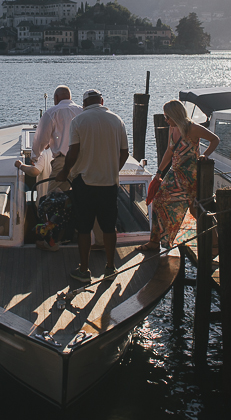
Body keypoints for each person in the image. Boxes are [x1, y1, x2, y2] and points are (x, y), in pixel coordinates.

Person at [57, 89, 129, 283]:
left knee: (84, 228)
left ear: (84, 103)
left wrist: (64, 172)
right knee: (108, 227)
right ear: (102, 101)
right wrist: (114, 169)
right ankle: (110, 267)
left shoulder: (78, 121)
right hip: (109, 183)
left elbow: (73, 152)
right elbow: (125, 153)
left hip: (85, 183)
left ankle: (84, 270)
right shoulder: (117, 120)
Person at [141, 99, 220, 250]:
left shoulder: (193, 128)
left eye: (167, 116)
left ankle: (215, 241)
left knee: (194, 209)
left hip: (190, 177)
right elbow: (169, 152)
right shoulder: (172, 128)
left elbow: (215, 139)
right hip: (175, 173)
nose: (165, 119)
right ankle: (156, 241)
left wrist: (205, 155)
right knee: (158, 201)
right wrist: (159, 172)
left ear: (175, 115)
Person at [33, 86, 82, 193]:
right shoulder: (82, 111)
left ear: (56, 97)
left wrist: (35, 157)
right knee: (78, 197)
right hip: (82, 163)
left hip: (62, 163)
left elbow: (41, 139)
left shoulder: (52, 113)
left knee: (53, 198)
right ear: (70, 97)